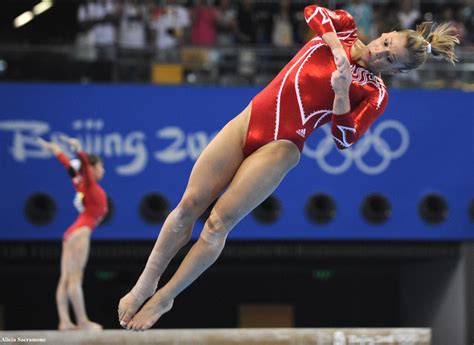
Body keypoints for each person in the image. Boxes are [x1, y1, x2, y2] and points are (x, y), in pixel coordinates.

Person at [118, 4, 459, 331]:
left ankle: (166, 296)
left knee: (217, 223)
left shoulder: (374, 92)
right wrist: (337, 51)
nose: (380, 53)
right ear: (385, 32)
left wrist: (341, 94)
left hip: (281, 146)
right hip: (249, 119)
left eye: (390, 59)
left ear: (396, 70)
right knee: (189, 206)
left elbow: (345, 139)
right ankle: (144, 285)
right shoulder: (346, 28)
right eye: (386, 43)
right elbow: (313, 11)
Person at [37, 136, 107, 331]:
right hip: (81, 232)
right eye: (101, 166)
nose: (103, 170)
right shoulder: (91, 185)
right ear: (92, 169)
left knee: (66, 278)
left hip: (71, 233)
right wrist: (79, 151)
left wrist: (57, 151)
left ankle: (65, 321)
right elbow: (82, 165)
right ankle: (83, 321)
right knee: (75, 278)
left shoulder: (82, 184)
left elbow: (71, 169)